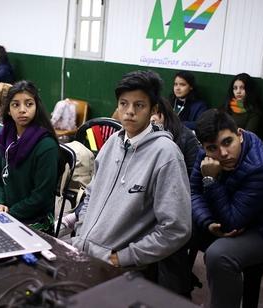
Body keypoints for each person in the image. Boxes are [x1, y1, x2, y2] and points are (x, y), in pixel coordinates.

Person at [71, 71, 191, 296]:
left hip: (120, 270)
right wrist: (80, 230)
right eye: (123, 104)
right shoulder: (112, 143)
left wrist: (124, 257)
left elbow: (176, 228)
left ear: (154, 109)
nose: (129, 112)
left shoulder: (166, 155)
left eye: (139, 105)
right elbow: (91, 193)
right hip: (84, 253)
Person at [190, 109, 263, 308]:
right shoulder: (206, 152)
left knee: (220, 255)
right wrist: (207, 222)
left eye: (228, 142)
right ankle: (176, 292)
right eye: (213, 148)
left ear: (239, 134)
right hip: (229, 214)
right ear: (204, 147)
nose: (223, 153)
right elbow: (193, 192)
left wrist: (210, 180)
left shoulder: (262, 167)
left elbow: (232, 222)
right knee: (173, 225)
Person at [0, 80, 59, 234]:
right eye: (15, 105)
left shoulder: (46, 145)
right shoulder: (4, 138)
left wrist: (9, 214)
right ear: (8, 110)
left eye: (29, 104)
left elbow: (41, 196)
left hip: (34, 219)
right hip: (5, 212)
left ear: (37, 107)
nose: (22, 110)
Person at [151, 99, 200, 176]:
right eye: (150, 114)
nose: (152, 119)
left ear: (166, 114)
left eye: (157, 113)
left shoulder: (186, 136)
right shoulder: (142, 134)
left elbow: (193, 172)